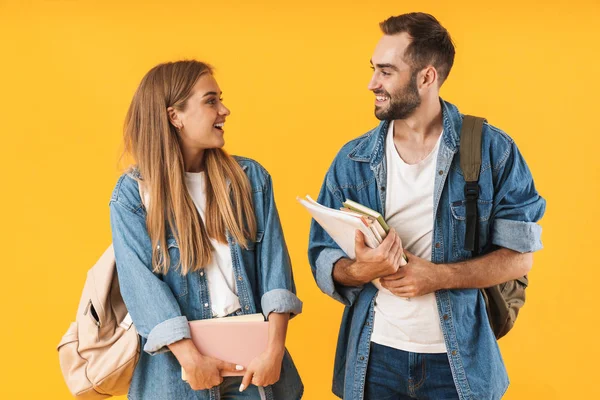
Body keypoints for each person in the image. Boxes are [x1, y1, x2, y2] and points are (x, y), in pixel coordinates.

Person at [308, 12, 545, 400]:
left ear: (426, 76)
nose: (372, 84)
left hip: (459, 364)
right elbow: (322, 256)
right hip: (374, 359)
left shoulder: (492, 151)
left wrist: (439, 276)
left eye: (386, 71)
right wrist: (357, 269)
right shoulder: (352, 159)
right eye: (373, 70)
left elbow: (520, 259)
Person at [109, 60, 303, 400]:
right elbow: (141, 286)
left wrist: (274, 351)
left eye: (220, 99)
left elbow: (276, 272)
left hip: (254, 372)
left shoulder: (250, 179)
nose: (224, 110)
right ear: (175, 116)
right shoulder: (133, 194)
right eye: (210, 100)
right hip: (179, 376)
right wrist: (191, 358)